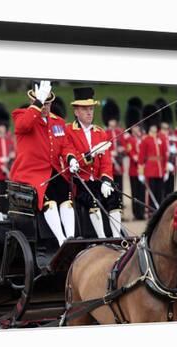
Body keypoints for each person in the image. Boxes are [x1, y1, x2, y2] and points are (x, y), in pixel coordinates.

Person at [9, 80, 79, 246]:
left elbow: (66, 145)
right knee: (50, 201)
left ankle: (70, 239)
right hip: (31, 173)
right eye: (43, 103)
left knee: (66, 197)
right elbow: (24, 125)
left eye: (48, 103)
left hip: (53, 171)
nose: (46, 107)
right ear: (34, 101)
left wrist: (71, 157)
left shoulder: (58, 122)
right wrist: (37, 103)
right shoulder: (22, 115)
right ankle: (61, 240)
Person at [65, 87, 122, 238]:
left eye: (91, 109)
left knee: (115, 196)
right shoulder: (69, 131)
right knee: (93, 200)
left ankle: (117, 238)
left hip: (97, 179)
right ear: (76, 112)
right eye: (85, 109)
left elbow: (106, 162)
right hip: (80, 181)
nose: (89, 112)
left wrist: (106, 180)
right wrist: (91, 153)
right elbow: (73, 159)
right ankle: (102, 238)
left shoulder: (100, 132)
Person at [138, 104, 167, 216]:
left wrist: (165, 170)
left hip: (159, 170)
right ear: (149, 126)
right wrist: (140, 173)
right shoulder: (146, 140)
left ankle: (159, 210)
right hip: (150, 169)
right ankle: (151, 211)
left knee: (160, 192)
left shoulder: (161, 139)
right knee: (151, 193)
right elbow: (141, 157)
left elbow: (165, 156)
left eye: (155, 126)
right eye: (152, 126)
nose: (154, 128)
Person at [124, 105, 146, 220]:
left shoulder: (142, 139)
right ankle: (136, 213)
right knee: (135, 193)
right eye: (135, 128)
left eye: (138, 127)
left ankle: (141, 212)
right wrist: (137, 158)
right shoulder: (130, 140)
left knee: (142, 192)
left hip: (142, 171)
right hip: (133, 170)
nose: (136, 129)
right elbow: (130, 152)